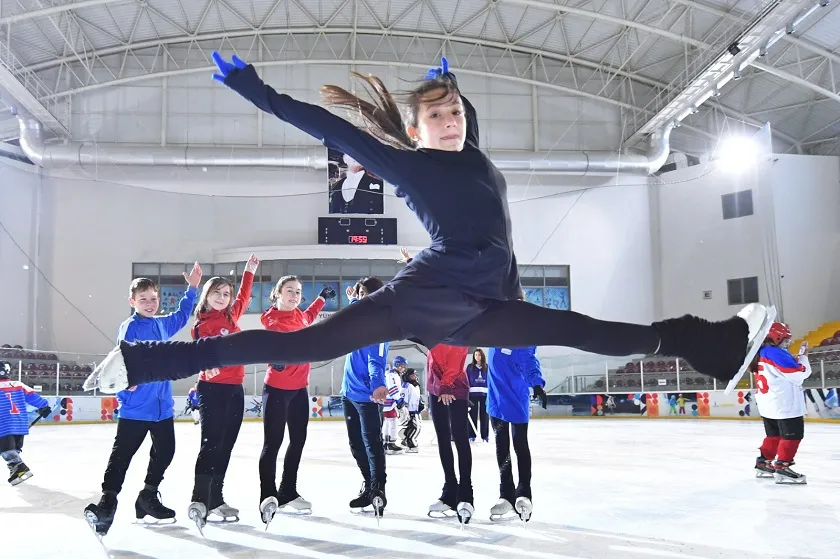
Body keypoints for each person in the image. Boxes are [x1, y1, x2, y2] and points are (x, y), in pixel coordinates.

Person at [84, 54, 773, 469]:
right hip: (423, 294)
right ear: (416, 131)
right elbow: (328, 126)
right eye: (438, 117)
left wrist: (452, 86)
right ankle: (143, 362)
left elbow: (492, 208)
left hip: (480, 306)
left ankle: (709, 343)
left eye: (456, 114)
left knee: (579, 327)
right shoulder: (409, 164)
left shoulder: (477, 157)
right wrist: (256, 91)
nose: (452, 123)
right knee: (300, 342)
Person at [84, 264, 201, 537]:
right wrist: (128, 385)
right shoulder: (130, 328)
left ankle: (147, 497)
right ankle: (107, 504)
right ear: (132, 302)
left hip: (161, 409)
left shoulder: (161, 324)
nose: (150, 303)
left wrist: (193, 288)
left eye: (153, 298)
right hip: (136, 408)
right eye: (143, 299)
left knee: (166, 451)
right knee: (122, 456)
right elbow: (121, 361)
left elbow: (184, 315)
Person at [186, 254, 259, 531]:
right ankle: (199, 498)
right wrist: (208, 365)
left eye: (226, 294)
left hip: (234, 389)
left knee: (226, 446)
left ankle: (215, 498)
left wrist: (249, 271)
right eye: (217, 292)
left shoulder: (232, 315)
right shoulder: (202, 323)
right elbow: (200, 349)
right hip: (212, 389)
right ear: (207, 295)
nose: (223, 297)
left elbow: (244, 296)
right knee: (211, 444)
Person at [258, 275, 336, 526]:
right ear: (278, 293)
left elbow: (310, 316)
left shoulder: (300, 315)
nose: (294, 295)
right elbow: (270, 340)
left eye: (298, 292)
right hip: (278, 390)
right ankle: (267, 495)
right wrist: (275, 358)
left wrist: (322, 299)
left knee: (298, 441)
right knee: (273, 443)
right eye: (289, 291)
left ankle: (287, 491)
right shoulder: (272, 319)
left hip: (300, 390)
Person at [340, 278, 389, 516]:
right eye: (359, 293)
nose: (361, 297)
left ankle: (378, 489)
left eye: (365, 294)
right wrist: (352, 299)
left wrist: (378, 385)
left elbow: (376, 359)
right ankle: (369, 485)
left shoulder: (380, 325)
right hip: (348, 392)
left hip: (367, 395)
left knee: (372, 445)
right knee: (356, 445)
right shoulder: (357, 317)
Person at [486, 345, 547, 522]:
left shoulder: (523, 335)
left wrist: (536, 384)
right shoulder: (492, 334)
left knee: (520, 444)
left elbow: (530, 360)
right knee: (501, 447)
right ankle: (506, 495)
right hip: (496, 399)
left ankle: (524, 494)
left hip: (517, 397)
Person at [752, 323, 811, 484]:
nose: (786, 343)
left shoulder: (759, 352)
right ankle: (782, 466)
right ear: (776, 337)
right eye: (785, 340)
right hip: (784, 404)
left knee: (774, 436)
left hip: (767, 404)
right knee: (792, 436)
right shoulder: (775, 353)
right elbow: (799, 374)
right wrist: (804, 357)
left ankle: (763, 463)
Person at [426, 343, 473, 523]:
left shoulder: (455, 319)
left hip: (454, 385)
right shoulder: (428, 321)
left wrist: (446, 384)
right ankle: (450, 492)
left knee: (460, 438)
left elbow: (459, 350)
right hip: (435, 385)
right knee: (443, 439)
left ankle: (466, 495)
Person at [0, 361, 51, 485]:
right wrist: (44, 406)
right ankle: (15, 470)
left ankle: (18, 466)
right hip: (20, 424)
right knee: (13, 448)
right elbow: (35, 398)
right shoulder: (18, 384)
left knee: (6, 449)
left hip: (3, 424)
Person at [384, 356, 406, 454]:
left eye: (404, 366)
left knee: (388, 422)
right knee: (392, 421)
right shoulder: (391, 375)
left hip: (389, 402)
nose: (403, 368)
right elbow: (393, 389)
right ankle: (390, 443)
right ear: (396, 364)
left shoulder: (393, 374)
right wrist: (399, 399)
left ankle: (386, 442)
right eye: (401, 366)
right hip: (389, 402)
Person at [466, 349, 490, 442]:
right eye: (475, 355)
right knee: (472, 415)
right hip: (472, 394)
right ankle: (471, 435)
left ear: (482, 356)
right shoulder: (470, 367)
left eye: (479, 355)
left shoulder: (487, 367)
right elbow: (466, 380)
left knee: (485, 415)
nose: (477, 357)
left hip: (485, 394)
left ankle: (485, 436)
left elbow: (490, 380)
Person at [399, 367, 422, 453]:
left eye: (415, 375)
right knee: (414, 427)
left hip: (415, 409)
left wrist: (420, 404)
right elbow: (403, 397)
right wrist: (404, 409)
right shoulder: (406, 385)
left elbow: (417, 397)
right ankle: (410, 443)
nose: (415, 377)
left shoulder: (416, 385)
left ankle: (405, 440)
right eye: (412, 375)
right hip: (409, 410)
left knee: (416, 427)